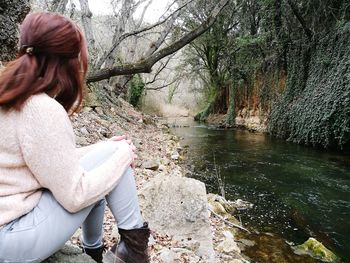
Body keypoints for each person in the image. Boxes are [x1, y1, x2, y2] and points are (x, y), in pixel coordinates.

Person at [0, 12, 150, 263]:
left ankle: (94, 253)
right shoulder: (41, 109)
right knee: (113, 163)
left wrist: (102, 149)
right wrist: (122, 157)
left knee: (111, 157)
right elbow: (75, 195)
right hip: (12, 238)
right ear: (67, 63)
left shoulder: (10, 97)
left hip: (7, 229)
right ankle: (133, 251)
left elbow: (44, 163)